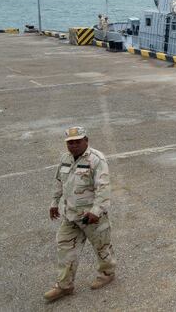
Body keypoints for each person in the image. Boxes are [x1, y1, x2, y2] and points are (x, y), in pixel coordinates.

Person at [44, 127, 116, 302]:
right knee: (65, 249)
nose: (74, 145)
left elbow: (103, 188)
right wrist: (54, 202)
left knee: (101, 247)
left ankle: (107, 273)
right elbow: (59, 182)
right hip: (70, 216)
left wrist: (96, 211)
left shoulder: (96, 159)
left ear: (86, 140)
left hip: (92, 217)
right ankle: (64, 286)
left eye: (78, 141)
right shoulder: (65, 159)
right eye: (70, 142)